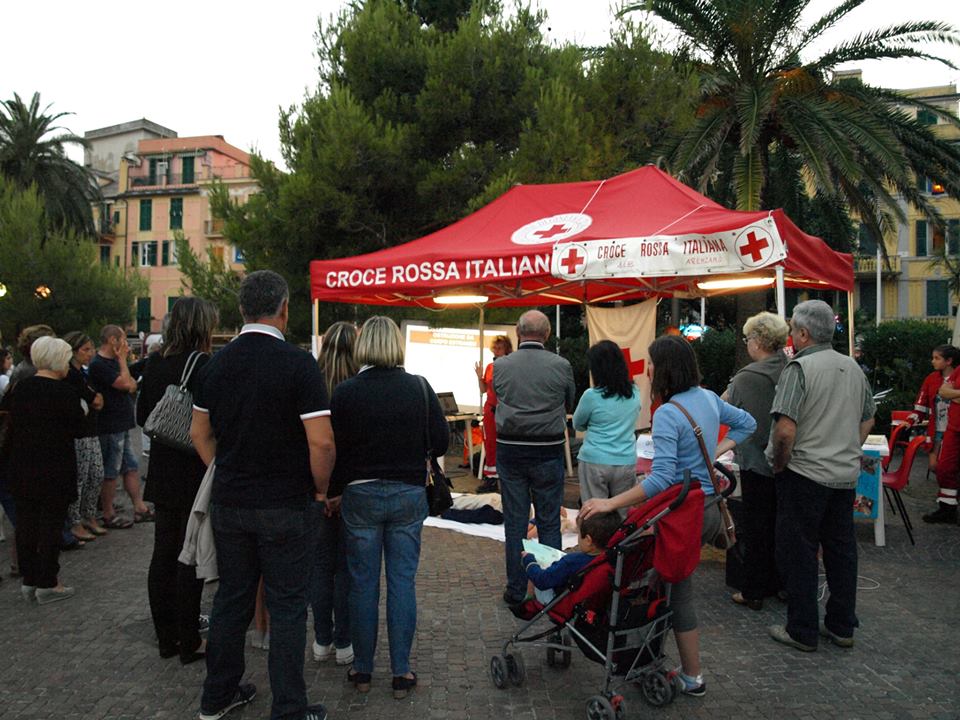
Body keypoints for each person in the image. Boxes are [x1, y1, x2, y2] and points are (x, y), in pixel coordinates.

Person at [191, 270, 334, 720]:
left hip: (231, 501)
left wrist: (228, 468)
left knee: (231, 600)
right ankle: (289, 708)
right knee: (288, 605)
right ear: (285, 309)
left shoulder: (215, 363)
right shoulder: (297, 363)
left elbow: (199, 433)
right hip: (286, 503)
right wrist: (320, 489)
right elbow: (322, 442)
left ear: (241, 310)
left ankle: (217, 696)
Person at [580, 335, 755, 696]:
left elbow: (661, 480)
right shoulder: (707, 397)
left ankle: (692, 676)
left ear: (664, 369)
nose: (647, 369)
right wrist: (716, 449)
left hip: (682, 513)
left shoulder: (668, 412)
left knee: (679, 593)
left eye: (652, 363)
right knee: (664, 580)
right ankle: (654, 656)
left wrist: (610, 504)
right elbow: (748, 424)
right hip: (708, 509)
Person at [328, 316, 448, 699]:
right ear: (396, 345)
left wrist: (332, 490)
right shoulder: (419, 387)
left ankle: (362, 670)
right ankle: (401, 672)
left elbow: (335, 449)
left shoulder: (345, 392)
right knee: (402, 583)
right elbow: (442, 442)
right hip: (407, 494)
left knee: (362, 585)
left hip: (359, 495)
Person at [767, 300, 875, 652]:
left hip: (804, 473)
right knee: (842, 551)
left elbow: (785, 430)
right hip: (843, 475)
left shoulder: (799, 368)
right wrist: (848, 447)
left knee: (800, 552)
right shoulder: (853, 368)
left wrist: (781, 464)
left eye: (793, 330)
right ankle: (842, 625)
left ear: (803, 333)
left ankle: (801, 629)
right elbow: (868, 417)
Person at [137, 297, 218, 664]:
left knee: (163, 553)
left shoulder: (155, 362)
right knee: (189, 556)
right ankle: (189, 640)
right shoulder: (203, 364)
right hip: (193, 468)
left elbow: (143, 415)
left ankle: (165, 637)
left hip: (162, 468)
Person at [493, 310, 576, 607]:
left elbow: (498, 395)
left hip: (511, 449)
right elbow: (570, 400)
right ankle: (547, 590)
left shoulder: (501, 366)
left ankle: (516, 590)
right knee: (549, 521)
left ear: (517, 331)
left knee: (515, 522)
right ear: (548, 333)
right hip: (547, 449)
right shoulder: (562, 365)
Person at [5, 337, 84, 604]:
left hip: (21, 465)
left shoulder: (19, 388)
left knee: (26, 524)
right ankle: (48, 581)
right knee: (51, 525)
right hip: (54, 467)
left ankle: (29, 579)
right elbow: (78, 428)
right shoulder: (64, 392)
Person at [722, 312, 789, 610]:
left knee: (756, 528)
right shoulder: (792, 368)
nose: (747, 344)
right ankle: (782, 584)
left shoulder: (748, 377)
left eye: (749, 338)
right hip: (789, 462)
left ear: (759, 341)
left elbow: (723, 407)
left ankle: (753, 590)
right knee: (783, 526)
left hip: (757, 461)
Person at [310, 320, 357, 667]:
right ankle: (344, 641)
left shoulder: (311, 383)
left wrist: (319, 491)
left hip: (315, 489)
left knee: (320, 568)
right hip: (351, 490)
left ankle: (321, 638)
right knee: (346, 570)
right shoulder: (359, 389)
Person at [88, 325, 151, 528]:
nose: (125, 344)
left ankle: (139, 507)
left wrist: (124, 368)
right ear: (113, 340)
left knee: (130, 467)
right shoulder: (99, 365)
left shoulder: (114, 363)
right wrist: (123, 361)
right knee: (111, 471)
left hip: (122, 423)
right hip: (110, 424)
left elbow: (132, 384)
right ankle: (108, 512)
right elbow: (126, 384)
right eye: (123, 339)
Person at [573, 340, 641, 515]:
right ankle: (620, 543)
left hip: (594, 460)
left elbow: (577, 424)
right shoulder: (635, 393)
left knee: (594, 514)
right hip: (625, 460)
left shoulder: (591, 396)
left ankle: (596, 543)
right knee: (622, 514)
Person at [62, 332, 107, 542]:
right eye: (85, 349)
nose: (90, 354)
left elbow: (97, 399)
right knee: (79, 477)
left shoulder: (84, 374)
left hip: (91, 430)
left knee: (96, 474)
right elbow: (94, 399)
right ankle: (75, 520)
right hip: (78, 433)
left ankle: (89, 515)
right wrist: (94, 399)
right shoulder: (70, 375)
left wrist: (94, 399)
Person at [520, 510, 621, 603]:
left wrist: (529, 561)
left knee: (537, 569)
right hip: (595, 600)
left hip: (565, 600)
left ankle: (528, 598)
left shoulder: (572, 561)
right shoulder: (614, 558)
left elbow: (542, 581)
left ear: (588, 540)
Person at [913, 345, 960, 523]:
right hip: (942, 430)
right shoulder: (934, 378)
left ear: (949, 361)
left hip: (953, 427)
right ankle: (947, 508)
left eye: (936, 358)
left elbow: (948, 393)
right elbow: (942, 393)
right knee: (940, 468)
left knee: (949, 469)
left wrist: (952, 394)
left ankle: (950, 507)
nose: (933, 361)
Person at [474, 335, 513, 493]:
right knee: (490, 444)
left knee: (506, 444)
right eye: (495, 348)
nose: (497, 351)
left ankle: (507, 478)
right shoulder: (491, 366)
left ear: (507, 349)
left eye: (500, 348)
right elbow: (483, 390)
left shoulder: (511, 366)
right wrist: (479, 376)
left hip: (506, 410)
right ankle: (491, 479)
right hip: (490, 410)